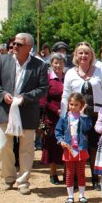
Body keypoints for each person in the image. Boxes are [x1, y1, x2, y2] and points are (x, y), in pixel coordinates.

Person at [0, 33, 49, 195]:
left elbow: (43, 89)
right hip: (5, 111)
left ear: (29, 47)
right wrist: (2, 94)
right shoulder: (4, 60)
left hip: (27, 112)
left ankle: (23, 181)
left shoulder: (40, 65)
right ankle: (8, 177)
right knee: (2, 146)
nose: (14, 46)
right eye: (13, 44)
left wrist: (25, 98)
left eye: (18, 44)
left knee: (26, 148)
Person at [61, 42, 102, 190]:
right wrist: (64, 116)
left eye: (86, 53)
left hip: (95, 114)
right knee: (76, 145)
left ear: (91, 56)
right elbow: (65, 95)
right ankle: (74, 180)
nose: (83, 56)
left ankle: (95, 178)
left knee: (94, 147)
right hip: (76, 117)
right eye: (80, 53)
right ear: (75, 55)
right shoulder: (70, 73)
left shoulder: (99, 71)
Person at [55, 92, 92, 203]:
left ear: (81, 105)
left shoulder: (84, 117)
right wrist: (61, 140)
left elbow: (87, 128)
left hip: (81, 149)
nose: (73, 107)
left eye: (76, 105)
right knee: (70, 173)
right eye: (71, 104)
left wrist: (82, 115)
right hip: (69, 149)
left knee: (81, 172)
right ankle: (70, 196)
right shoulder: (64, 117)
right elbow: (58, 131)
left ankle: (81, 195)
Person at [39, 53, 66, 185]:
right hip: (52, 118)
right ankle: (53, 173)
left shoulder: (68, 77)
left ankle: (68, 173)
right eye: (55, 63)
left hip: (67, 117)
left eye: (60, 63)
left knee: (67, 145)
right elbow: (43, 101)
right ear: (51, 64)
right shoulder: (48, 79)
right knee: (52, 146)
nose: (58, 65)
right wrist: (56, 110)